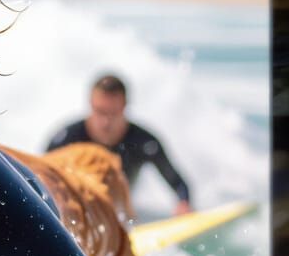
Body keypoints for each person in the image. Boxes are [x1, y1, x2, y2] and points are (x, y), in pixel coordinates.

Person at [46, 75, 192, 215]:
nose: (106, 122)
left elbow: (178, 184)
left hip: (124, 214)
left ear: (124, 107)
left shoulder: (143, 142)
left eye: (113, 113)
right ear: (90, 104)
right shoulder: (67, 139)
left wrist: (183, 204)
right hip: (78, 212)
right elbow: (38, 177)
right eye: (100, 111)